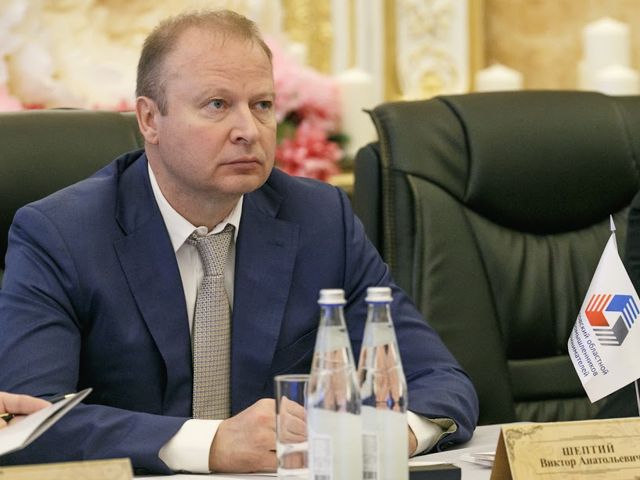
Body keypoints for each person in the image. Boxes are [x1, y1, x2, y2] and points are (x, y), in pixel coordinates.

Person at [0, 9, 478, 474]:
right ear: (149, 119)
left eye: (262, 105)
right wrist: (209, 444)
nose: (249, 131)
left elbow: (439, 381)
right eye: (217, 105)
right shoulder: (61, 234)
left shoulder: (320, 220)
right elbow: (25, 423)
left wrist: (391, 433)